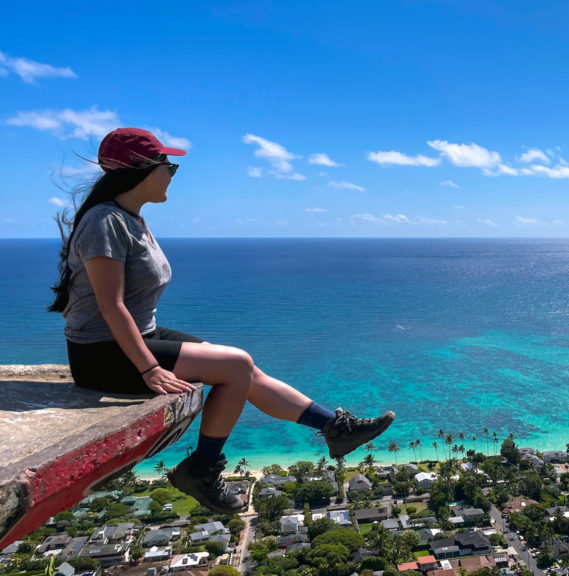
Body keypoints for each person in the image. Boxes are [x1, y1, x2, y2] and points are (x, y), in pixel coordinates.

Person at [48, 127, 394, 514]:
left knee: (241, 367)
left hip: (137, 336)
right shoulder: (105, 222)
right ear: (141, 169)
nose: (172, 176)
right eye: (170, 167)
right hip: (103, 353)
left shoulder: (129, 218)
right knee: (235, 364)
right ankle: (202, 467)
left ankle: (335, 429)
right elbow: (111, 306)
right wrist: (148, 369)